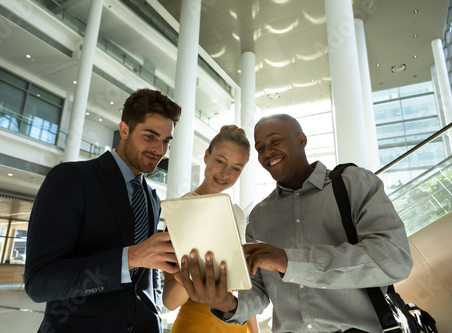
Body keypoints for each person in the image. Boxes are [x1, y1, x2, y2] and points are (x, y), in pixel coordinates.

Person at [179, 114, 414, 333]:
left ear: (302, 140)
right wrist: (228, 304)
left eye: (275, 141)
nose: (267, 152)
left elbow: (395, 259)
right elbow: (258, 292)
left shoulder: (354, 183)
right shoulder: (259, 216)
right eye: (260, 148)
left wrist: (287, 260)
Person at [24, 88, 182, 333]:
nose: (159, 150)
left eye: (166, 141)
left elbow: (147, 280)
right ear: (124, 130)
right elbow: (40, 283)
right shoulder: (71, 179)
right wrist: (130, 257)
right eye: (150, 136)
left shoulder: (152, 197)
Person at [163, 125, 260, 333]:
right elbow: (170, 302)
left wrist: (255, 332)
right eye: (220, 161)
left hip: (236, 325)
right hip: (195, 326)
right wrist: (191, 274)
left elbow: (244, 288)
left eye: (236, 168)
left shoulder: (237, 214)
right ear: (206, 156)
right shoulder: (180, 212)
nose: (226, 173)